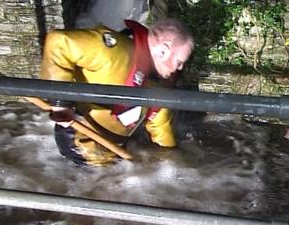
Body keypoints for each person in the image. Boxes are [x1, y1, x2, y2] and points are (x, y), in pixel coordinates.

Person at [40, 18, 194, 166]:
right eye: (179, 62)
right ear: (163, 50)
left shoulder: (158, 86)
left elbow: (161, 129)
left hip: (114, 150)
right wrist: (60, 103)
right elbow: (59, 41)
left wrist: (171, 163)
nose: (180, 68)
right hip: (80, 141)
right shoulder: (113, 51)